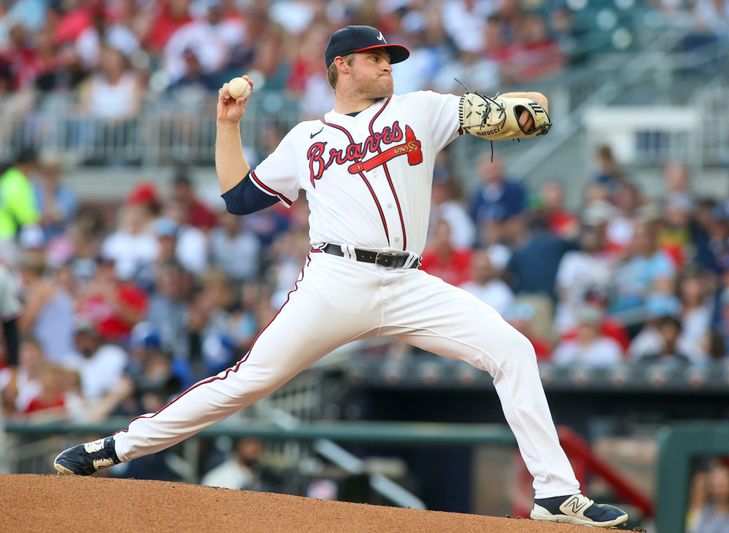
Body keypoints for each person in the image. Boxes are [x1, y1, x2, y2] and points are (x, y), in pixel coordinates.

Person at [54, 24, 627, 528]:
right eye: (376, 57)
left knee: (513, 349)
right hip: (334, 279)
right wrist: (228, 125)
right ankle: (113, 447)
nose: (386, 65)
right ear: (341, 68)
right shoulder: (307, 139)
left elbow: (508, 115)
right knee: (245, 382)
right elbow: (237, 198)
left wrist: (514, 115)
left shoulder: (421, 108)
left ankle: (556, 494)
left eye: (389, 58)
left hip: (408, 284)